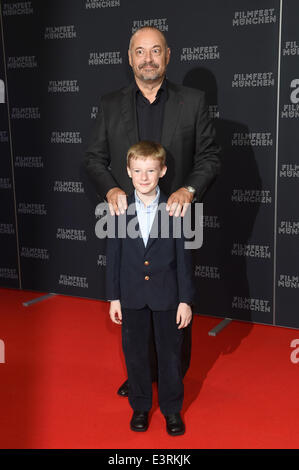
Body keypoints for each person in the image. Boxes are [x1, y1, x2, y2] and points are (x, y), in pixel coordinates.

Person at [85, 26, 220, 397]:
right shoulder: (111, 103)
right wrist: (112, 188)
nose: (148, 58)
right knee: (134, 299)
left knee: (174, 298)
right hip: (130, 217)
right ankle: (141, 376)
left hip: (178, 214)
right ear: (130, 58)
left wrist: (188, 189)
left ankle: (173, 376)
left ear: (168, 56)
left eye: (155, 51)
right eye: (140, 52)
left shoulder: (192, 101)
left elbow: (209, 156)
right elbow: (94, 158)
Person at [106, 141, 195, 435]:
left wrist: (185, 300)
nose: (144, 178)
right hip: (132, 296)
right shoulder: (119, 209)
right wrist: (114, 297)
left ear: (162, 171)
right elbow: (114, 256)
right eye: (138, 171)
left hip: (167, 296)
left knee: (170, 355)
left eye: (151, 171)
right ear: (129, 173)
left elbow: (184, 258)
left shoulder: (175, 208)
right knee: (135, 354)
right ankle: (141, 406)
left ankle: (172, 410)